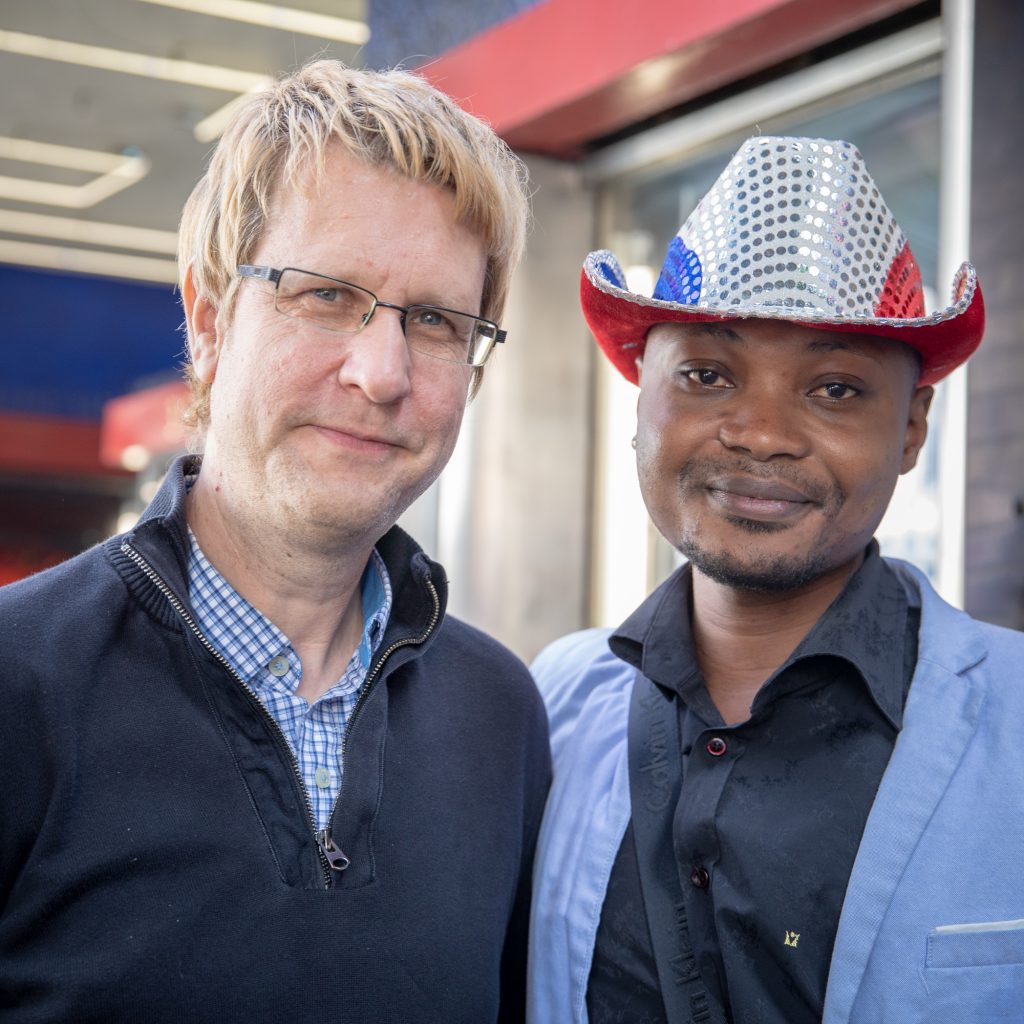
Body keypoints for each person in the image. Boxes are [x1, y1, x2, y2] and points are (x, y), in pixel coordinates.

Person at [0, 61, 550, 1023]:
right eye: (326, 295)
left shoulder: (500, 719)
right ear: (210, 321)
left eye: (434, 321)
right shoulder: (18, 685)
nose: (381, 372)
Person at [528, 136, 1024, 1024]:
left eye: (834, 389)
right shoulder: (549, 707)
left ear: (912, 428)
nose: (760, 434)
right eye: (708, 375)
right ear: (643, 396)